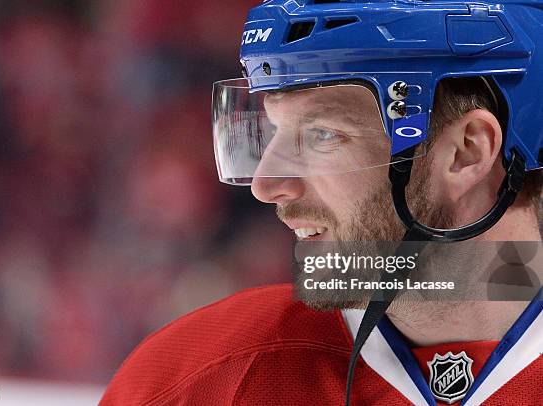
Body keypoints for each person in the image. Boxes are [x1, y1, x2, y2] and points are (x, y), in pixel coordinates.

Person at [101, 1, 542, 404]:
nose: (266, 185)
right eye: (275, 130)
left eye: (322, 135)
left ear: (466, 152)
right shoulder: (190, 380)